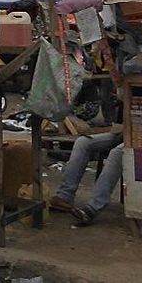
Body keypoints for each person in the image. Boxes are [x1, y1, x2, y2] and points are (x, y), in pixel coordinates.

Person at [50, 81, 125, 225]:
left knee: (117, 153)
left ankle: (93, 207)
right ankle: (65, 196)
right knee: (83, 142)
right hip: (122, 131)